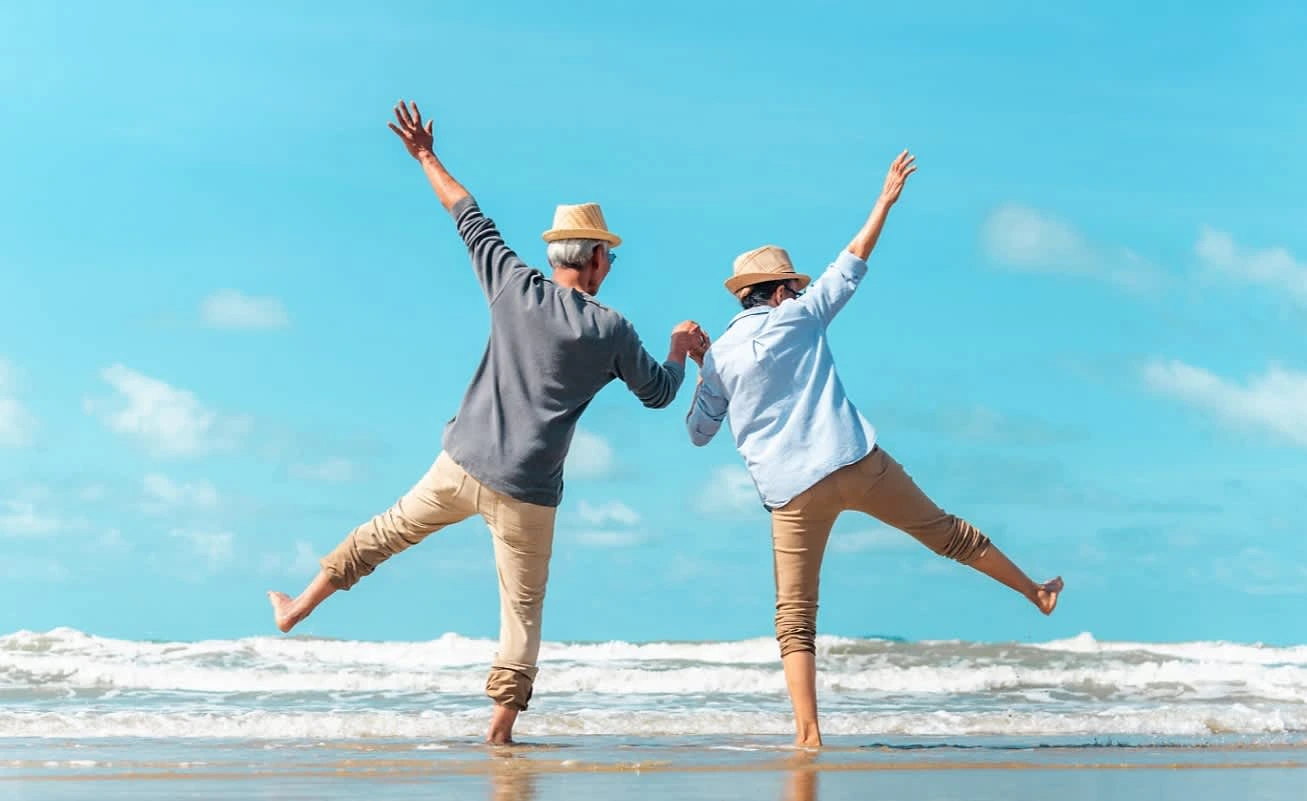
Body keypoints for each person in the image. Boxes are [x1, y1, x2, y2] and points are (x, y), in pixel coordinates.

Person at [269, 100, 706, 745]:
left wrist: (423, 154)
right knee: (522, 614)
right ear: (591, 260)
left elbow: (466, 214)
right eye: (607, 257)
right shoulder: (611, 329)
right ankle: (499, 731)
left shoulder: (512, 284)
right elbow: (662, 395)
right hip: (529, 489)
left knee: (382, 534)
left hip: (462, 462)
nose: (609, 266)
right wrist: (679, 349)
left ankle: (297, 607)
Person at [684, 150, 1063, 748]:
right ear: (781, 290)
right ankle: (1035, 592)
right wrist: (884, 201)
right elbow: (852, 261)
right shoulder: (801, 317)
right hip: (854, 461)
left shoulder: (722, 357)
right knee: (948, 535)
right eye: (795, 285)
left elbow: (699, 432)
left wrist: (694, 359)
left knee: (795, 620)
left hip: (790, 493)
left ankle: (808, 736)